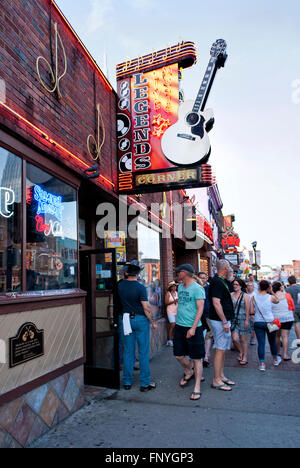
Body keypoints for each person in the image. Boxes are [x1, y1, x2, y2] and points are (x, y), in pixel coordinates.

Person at [118, 262, 158, 392]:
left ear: (126, 273)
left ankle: (127, 382)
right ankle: (145, 384)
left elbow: (113, 303)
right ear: (138, 274)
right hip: (140, 320)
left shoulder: (119, 286)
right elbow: (146, 307)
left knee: (128, 352)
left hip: (125, 319)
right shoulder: (140, 287)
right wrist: (153, 322)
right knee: (143, 352)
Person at [173, 264, 205, 401]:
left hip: (194, 328)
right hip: (179, 326)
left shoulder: (198, 288)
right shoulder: (180, 287)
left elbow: (200, 309)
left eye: (178, 272)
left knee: (197, 358)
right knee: (178, 355)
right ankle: (189, 370)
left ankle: (197, 386)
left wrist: (192, 328)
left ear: (184, 273)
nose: (177, 274)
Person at [209, 259, 236, 392]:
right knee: (220, 349)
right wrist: (225, 321)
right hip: (220, 321)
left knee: (223, 349)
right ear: (225, 268)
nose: (231, 270)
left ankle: (221, 376)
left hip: (223, 320)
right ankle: (216, 380)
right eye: (229, 267)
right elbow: (216, 303)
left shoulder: (222, 281)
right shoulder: (217, 282)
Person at [250, 280, 281, 372]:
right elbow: (277, 301)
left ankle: (262, 364)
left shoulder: (253, 297)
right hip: (270, 322)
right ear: (268, 287)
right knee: (272, 342)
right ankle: (275, 360)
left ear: (259, 286)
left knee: (261, 343)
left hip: (258, 322)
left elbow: (252, 311)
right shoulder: (270, 297)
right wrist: (271, 291)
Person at [272, 282, 295, 361]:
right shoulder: (287, 295)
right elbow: (292, 307)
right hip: (287, 318)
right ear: (280, 288)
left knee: (276, 336)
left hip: (274, 319)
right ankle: (285, 355)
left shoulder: (271, 297)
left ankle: (278, 352)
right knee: (285, 336)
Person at [231, 278, 251, 366]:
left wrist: (247, 320)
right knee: (235, 339)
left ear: (241, 286)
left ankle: (244, 356)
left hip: (243, 318)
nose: (235, 286)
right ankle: (241, 351)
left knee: (243, 340)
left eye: (237, 284)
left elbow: (248, 309)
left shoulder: (245, 296)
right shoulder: (231, 294)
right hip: (233, 319)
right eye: (234, 284)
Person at [198, 272, 213, 367]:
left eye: (204, 278)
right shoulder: (195, 288)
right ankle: (199, 356)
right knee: (199, 336)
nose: (203, 279)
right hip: (197, 315)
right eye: (201, 278)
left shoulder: (209, 288)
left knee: (208, 335)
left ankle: (206, 356)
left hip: (207, 314)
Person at [287, 276, 300, 343]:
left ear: (289, 282)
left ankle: (299, 339)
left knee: (296, 324)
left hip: (294, 309)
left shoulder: (288, 290)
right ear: (295, 281)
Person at [165, 281, 178, 347]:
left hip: (177, 311)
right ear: (170, 287)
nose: (174, 287)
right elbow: (166, 303)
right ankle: (169, 340)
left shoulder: (176, 293)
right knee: (172, 325)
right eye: (173, 286)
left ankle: (174, 339)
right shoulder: (168, 293)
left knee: (176, 326)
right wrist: (174, 301)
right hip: (170, 311)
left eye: (175, 286)